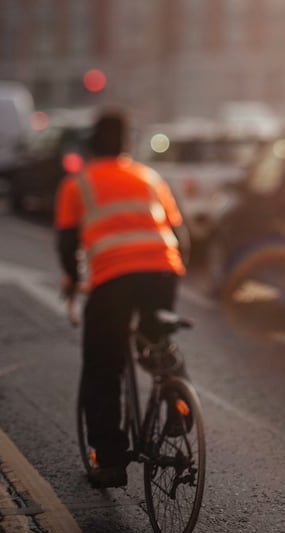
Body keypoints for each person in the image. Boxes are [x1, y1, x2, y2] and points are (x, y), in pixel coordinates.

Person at [54, 108, 187, 489]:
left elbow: (67, 244)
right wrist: (174, 271)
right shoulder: (149, 177)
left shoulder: (77, 185)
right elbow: (180, 234)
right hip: (163, 270)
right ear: (128, 145)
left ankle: (110, 461)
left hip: (113, 280)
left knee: (103, 366)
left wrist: (76, 279)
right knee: (155, 339)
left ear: (94, 143)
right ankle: (176, 398)